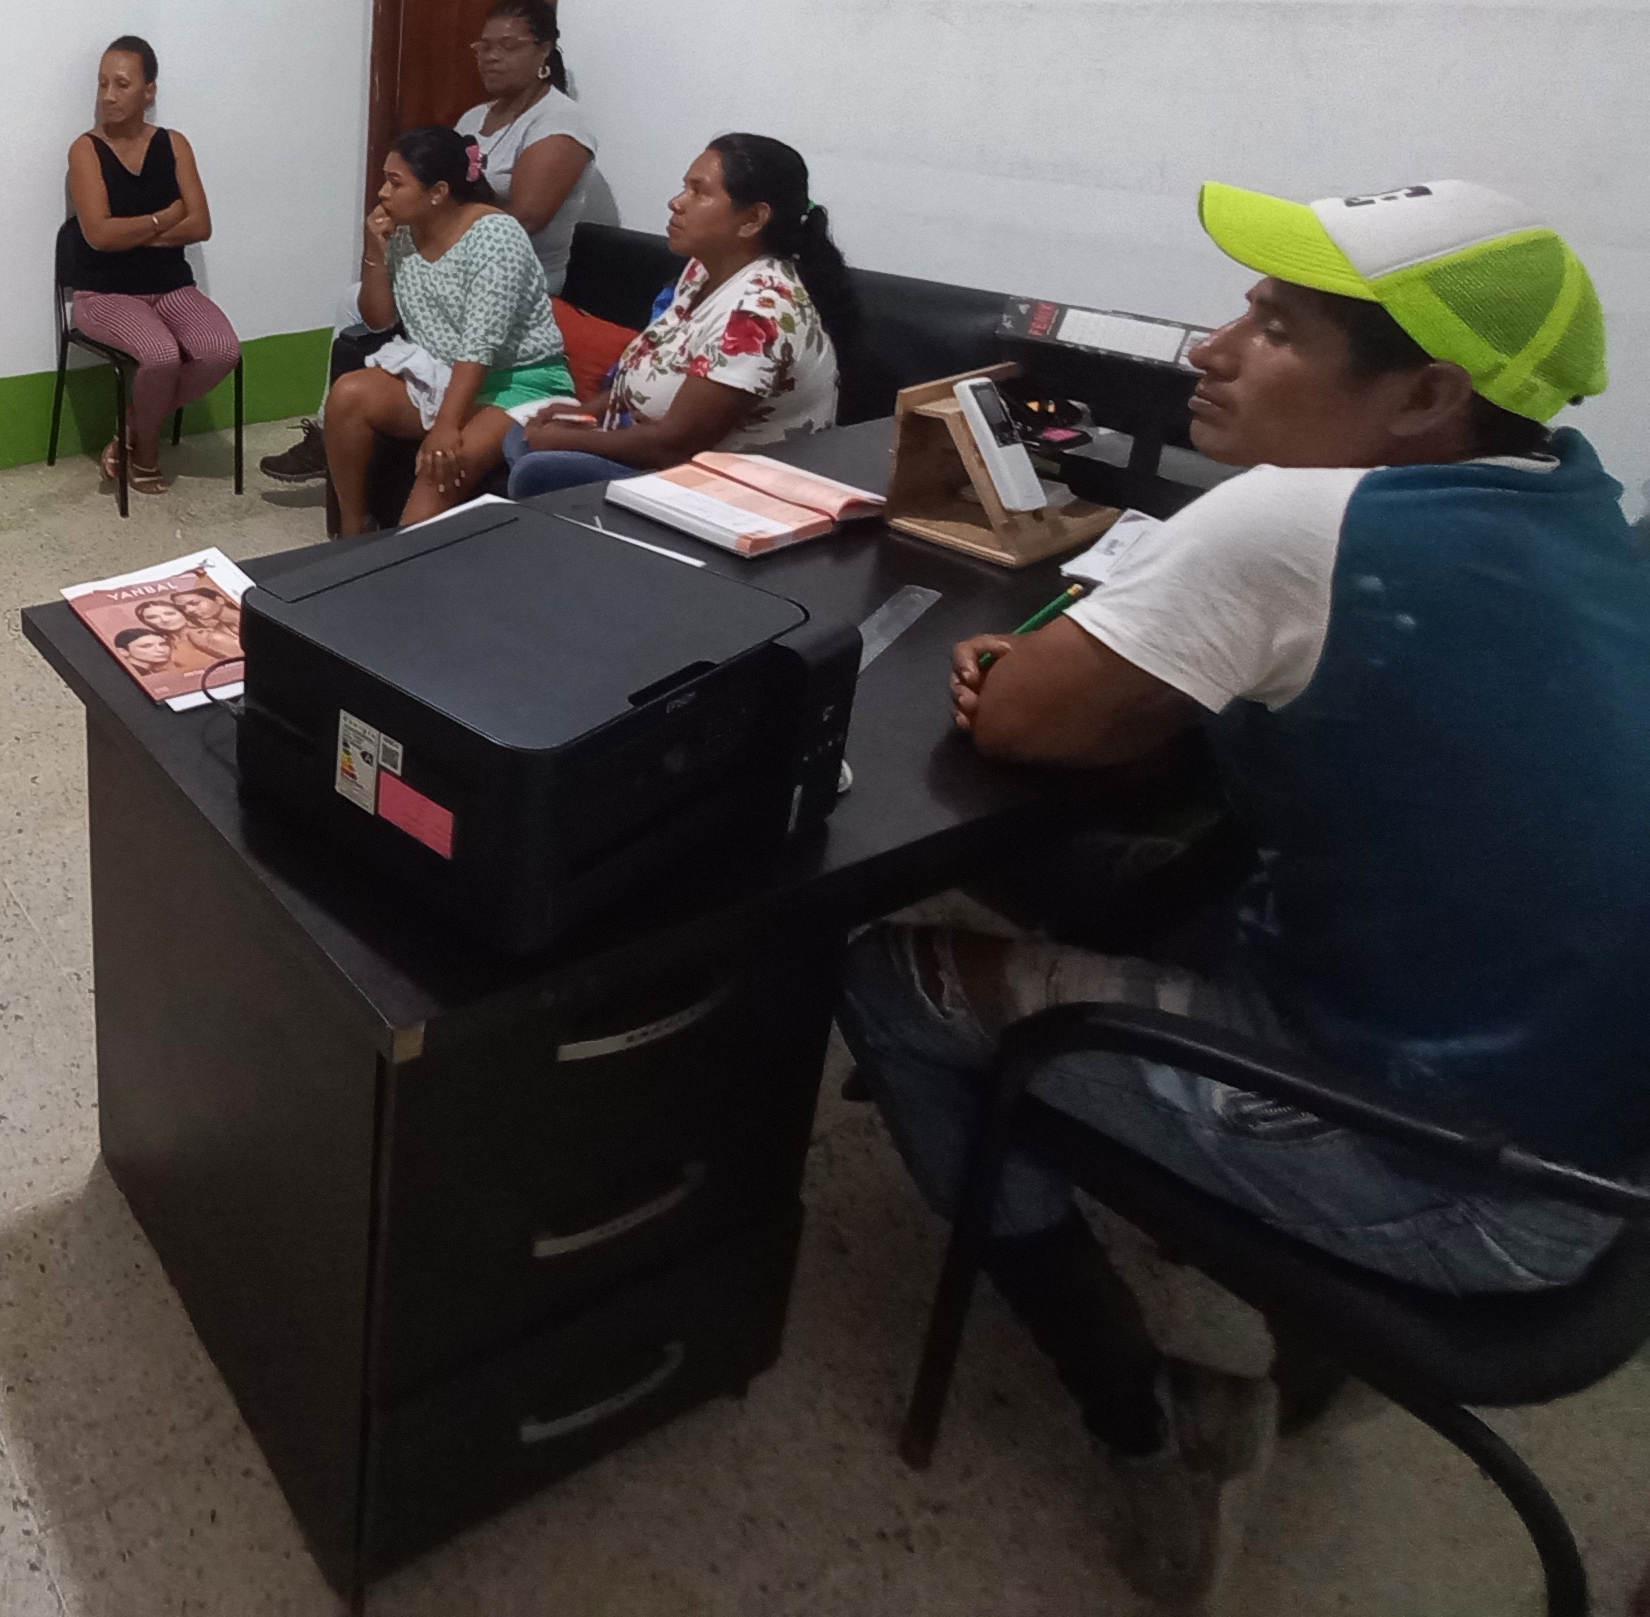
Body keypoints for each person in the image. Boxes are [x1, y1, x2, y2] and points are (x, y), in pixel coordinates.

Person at [836, 178, 1649, 1608]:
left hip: (1459, 1180)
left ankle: (1150, 1415)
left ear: (1427, 396)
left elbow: (1022, 720)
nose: (1209, 349)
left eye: (1273, 328)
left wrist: (1050, 680)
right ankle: (1292, 1327)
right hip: (1593, 1136)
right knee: (1106, 873)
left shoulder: (1294, 524)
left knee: (883, 973)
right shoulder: (1588, 512)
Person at [263, 0, 607, 484]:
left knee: (375, 310)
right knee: (354, 300)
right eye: (483, 46)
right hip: (452, 262)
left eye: (507, 46)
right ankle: (337, 427)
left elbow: (528, 215)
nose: (490, 57)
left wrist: (439, 223)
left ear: (544, 52)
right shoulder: (475, 118)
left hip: (518, 278)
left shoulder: (560, 121)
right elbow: (443, 192)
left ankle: (348, 427)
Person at [504, 132, 847, 498]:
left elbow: (676, 445)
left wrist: (567, 439)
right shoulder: (703, 269)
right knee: (521, 435)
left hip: (729, 487)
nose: (676, 202)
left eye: (699, 192)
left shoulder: (759, 313)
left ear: (753, 219)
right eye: (685, 187)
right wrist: (584, 414)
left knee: (539, 469)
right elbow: (651, 367)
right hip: (662, 450)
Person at [323, 125, 580, 535]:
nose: (383, 194)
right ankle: (352, 535)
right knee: (347, 396)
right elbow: (380, 320)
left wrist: (446, 426)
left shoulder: (496, 236)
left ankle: (405, 557)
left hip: (517, 384)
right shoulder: (404, 234)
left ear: (438, 192)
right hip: (444, 373)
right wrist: (374, 251)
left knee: (439, 465)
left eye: (396, 183)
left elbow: (480, 345)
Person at [61, 35, 239, 495]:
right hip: (105, 293)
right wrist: (164, 218)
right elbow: (99, 236)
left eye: (122, 84)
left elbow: (201, 224)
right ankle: (145, 455)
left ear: (149, 90)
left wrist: (133, 234)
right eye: (102, 83)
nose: (108, 96)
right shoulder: (85, 150)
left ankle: (132, 425)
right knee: (160, 356)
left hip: (172, 287)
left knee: (221, 351)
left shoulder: (174, 144)